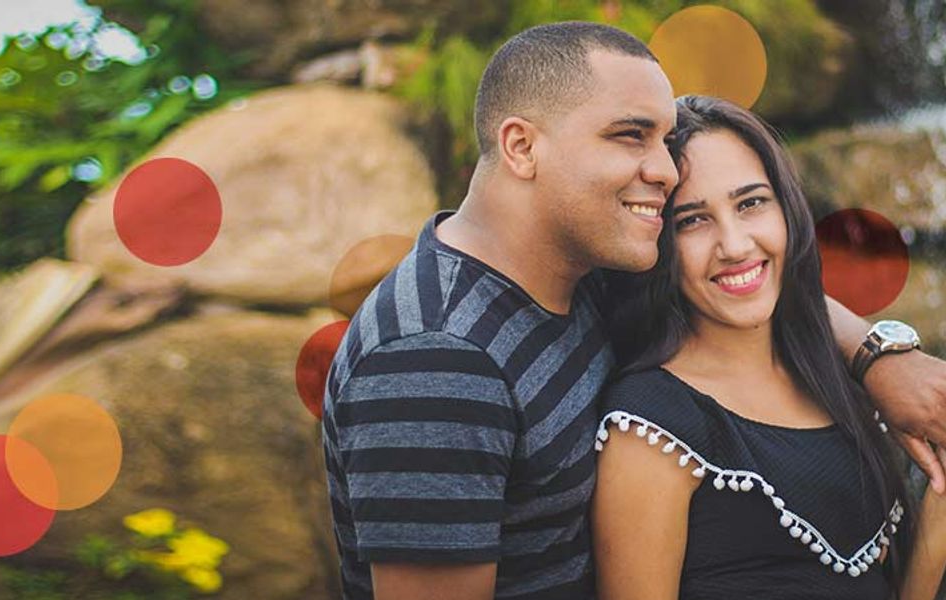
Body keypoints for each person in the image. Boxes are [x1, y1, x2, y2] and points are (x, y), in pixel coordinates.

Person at [320, 21, 946, 600]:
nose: (667, 169)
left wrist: (880, 357)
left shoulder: (576, 269)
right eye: (630, 135)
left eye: (665, 140)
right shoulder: (437, 363)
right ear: (520, 146)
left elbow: (752, 287)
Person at [593, 95, 946, 600]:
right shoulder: (650, 426)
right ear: (660, 241)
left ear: (788, 208)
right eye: (692, 220)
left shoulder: (838, 377)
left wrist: (936, 519)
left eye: (751, 202)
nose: (735, 245)